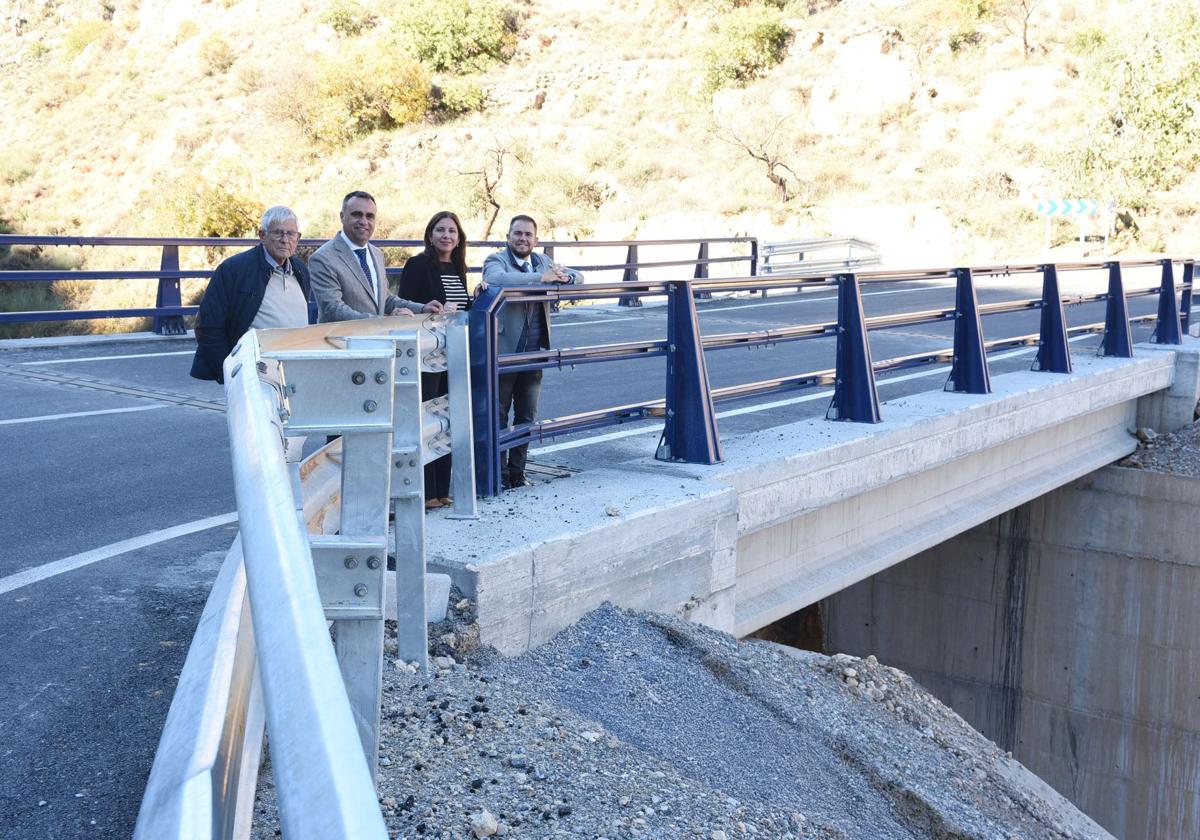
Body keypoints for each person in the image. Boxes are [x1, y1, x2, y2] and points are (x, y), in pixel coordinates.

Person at [190, 204, 312, 459]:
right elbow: (207, 325)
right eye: (277, 233)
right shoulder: (235, 269)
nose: (284, 239)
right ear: (261, 235)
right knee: (263, 449)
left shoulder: (300, 269)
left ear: (298, 238)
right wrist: (231, 373)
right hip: (258, 375)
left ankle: (290, 495)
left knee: (293, 445)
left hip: (295, 375)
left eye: (291, 234)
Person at [481, 214, 583, 489]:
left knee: (527, 416)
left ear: (535, 240)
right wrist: (542, 278)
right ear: (508, 237)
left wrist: (565, 276)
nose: (523, 239)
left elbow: (579, 277)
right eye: (518, 234)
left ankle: (517, 474)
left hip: (535, 353)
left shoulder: (542, 260)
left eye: (528, 235)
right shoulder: (496, 261)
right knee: (499, 415)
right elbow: (497, 279)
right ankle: (498, 475)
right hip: (503, 354)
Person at [398, 210, 472, 509]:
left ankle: (443, 489)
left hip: (452, 351)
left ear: (458, 238)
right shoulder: (417, 265)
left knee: (448, 419)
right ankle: (426, 490)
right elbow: (404, 304)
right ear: (430, 235)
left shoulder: (458, 266)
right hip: (427, 352)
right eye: (440, 230)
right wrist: (431, 310)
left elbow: (463, 307)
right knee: (427, 418)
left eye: (452, 231)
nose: (446, 236)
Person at [308, 190, 443, 322]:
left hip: (378, 340)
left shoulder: (377, 254)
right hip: (341, 342)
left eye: (370, 216)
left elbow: (386, 299)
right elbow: (333, 310)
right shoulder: (322, 258)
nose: (363, 221)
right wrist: (385, 320)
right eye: (357, 214)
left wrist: (422, 308)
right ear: (342, 216)